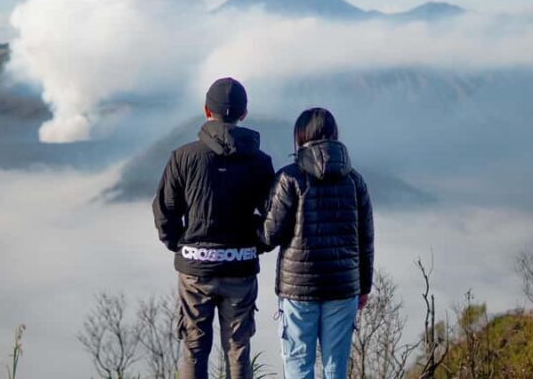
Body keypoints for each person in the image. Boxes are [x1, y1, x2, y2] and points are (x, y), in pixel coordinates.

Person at [152, 77, 275, 379]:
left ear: (207, 111)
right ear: (244, 114)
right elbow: (274, 216)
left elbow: (164, 210)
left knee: (194, 347)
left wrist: (180, 243)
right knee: (238, 348)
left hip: (195, 270)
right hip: (241, 268)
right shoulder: (259, 162)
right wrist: (256, 242)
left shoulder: (183, 157)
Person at [259, 107, 374, 379]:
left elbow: (269, 234)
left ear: (300, 137)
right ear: (335, 135)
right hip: (344, 287)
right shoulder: (355, 181)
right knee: (336, 368)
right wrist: (364, 287)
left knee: (298, 365)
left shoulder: (290, 178)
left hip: (298, 290)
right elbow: (366, 239)